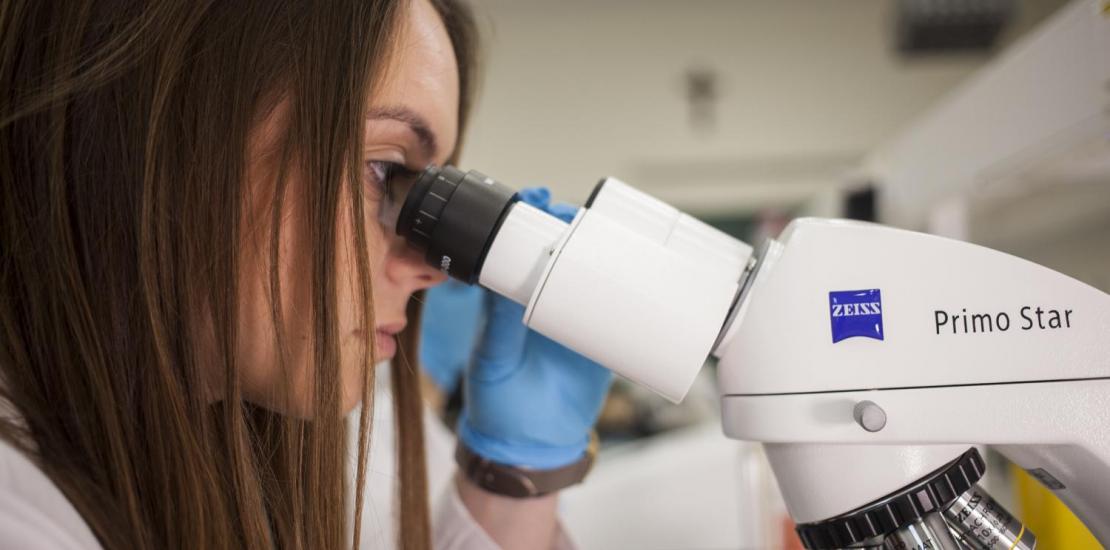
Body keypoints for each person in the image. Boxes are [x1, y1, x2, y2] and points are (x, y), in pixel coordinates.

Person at [0, 1, 611, 549]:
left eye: (428, 192)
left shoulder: (221, 465)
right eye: (385, 169)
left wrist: (513, 478)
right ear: (157, 137)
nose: (431, 268)